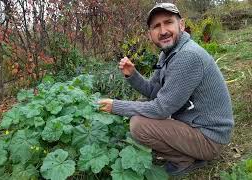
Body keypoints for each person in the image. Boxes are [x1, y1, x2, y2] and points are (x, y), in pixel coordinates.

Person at [98, 3, 234, 176]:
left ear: (181, 25)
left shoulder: (187, 56)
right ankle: (186, 152)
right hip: (195, 126)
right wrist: (132, 75)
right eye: (156, 26)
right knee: (142, 106)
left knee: (138, 125)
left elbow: (161, 109)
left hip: (210, 138)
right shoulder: (168, 53)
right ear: (150, 34)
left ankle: (184, 159)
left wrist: (115, 106)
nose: (163, 31)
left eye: (168, 22)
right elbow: (154, 92)